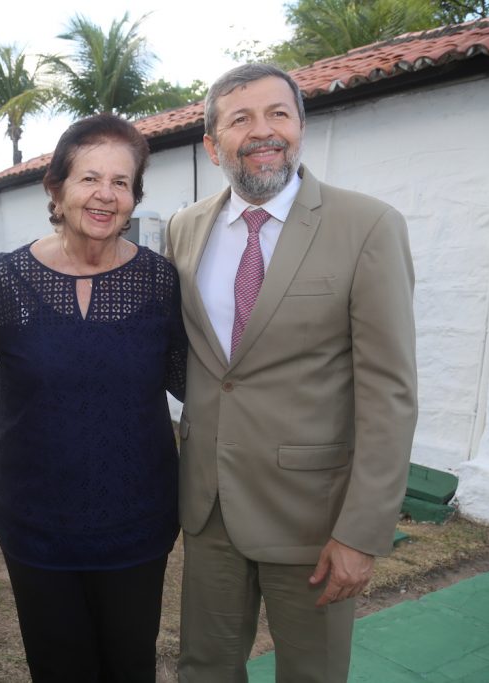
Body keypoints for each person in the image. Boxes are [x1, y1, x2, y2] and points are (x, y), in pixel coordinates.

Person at [165, 64, 417, 682]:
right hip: (210, 507)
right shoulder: (184, 229)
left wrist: (361, 532)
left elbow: (389, 392)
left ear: (301, 127)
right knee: (205, 668)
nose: (263, 132)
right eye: (240, 119)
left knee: (312, 673)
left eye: (278, 114)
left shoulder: (368, 226)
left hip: (314, 516)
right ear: (211, 142)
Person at [0, 114, 187, 682]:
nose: (105, 195)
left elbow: (191, 382)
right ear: (56, 188)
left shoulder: (159, 282)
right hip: (35, 526)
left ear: (134, 197)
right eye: (89, 179)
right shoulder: (4, 281)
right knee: (58, 669)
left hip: (136, 525)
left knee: (130, 666)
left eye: (121, 183)